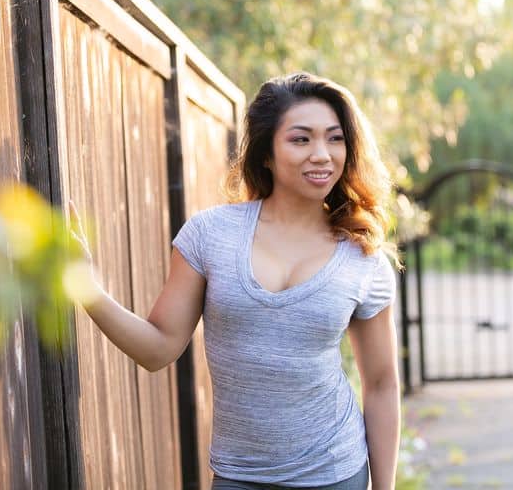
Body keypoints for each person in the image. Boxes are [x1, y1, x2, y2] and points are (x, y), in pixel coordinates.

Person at [73, 72, 401, 490]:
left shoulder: (362, 257)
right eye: (301, 139)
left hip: (335, 471)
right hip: (238, 476)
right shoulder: (211, 235)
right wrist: (87, 290)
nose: (321, 154)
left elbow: (382, 384)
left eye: (335, 139)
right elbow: (157, 348)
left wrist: (385, 487)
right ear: (266, 153)